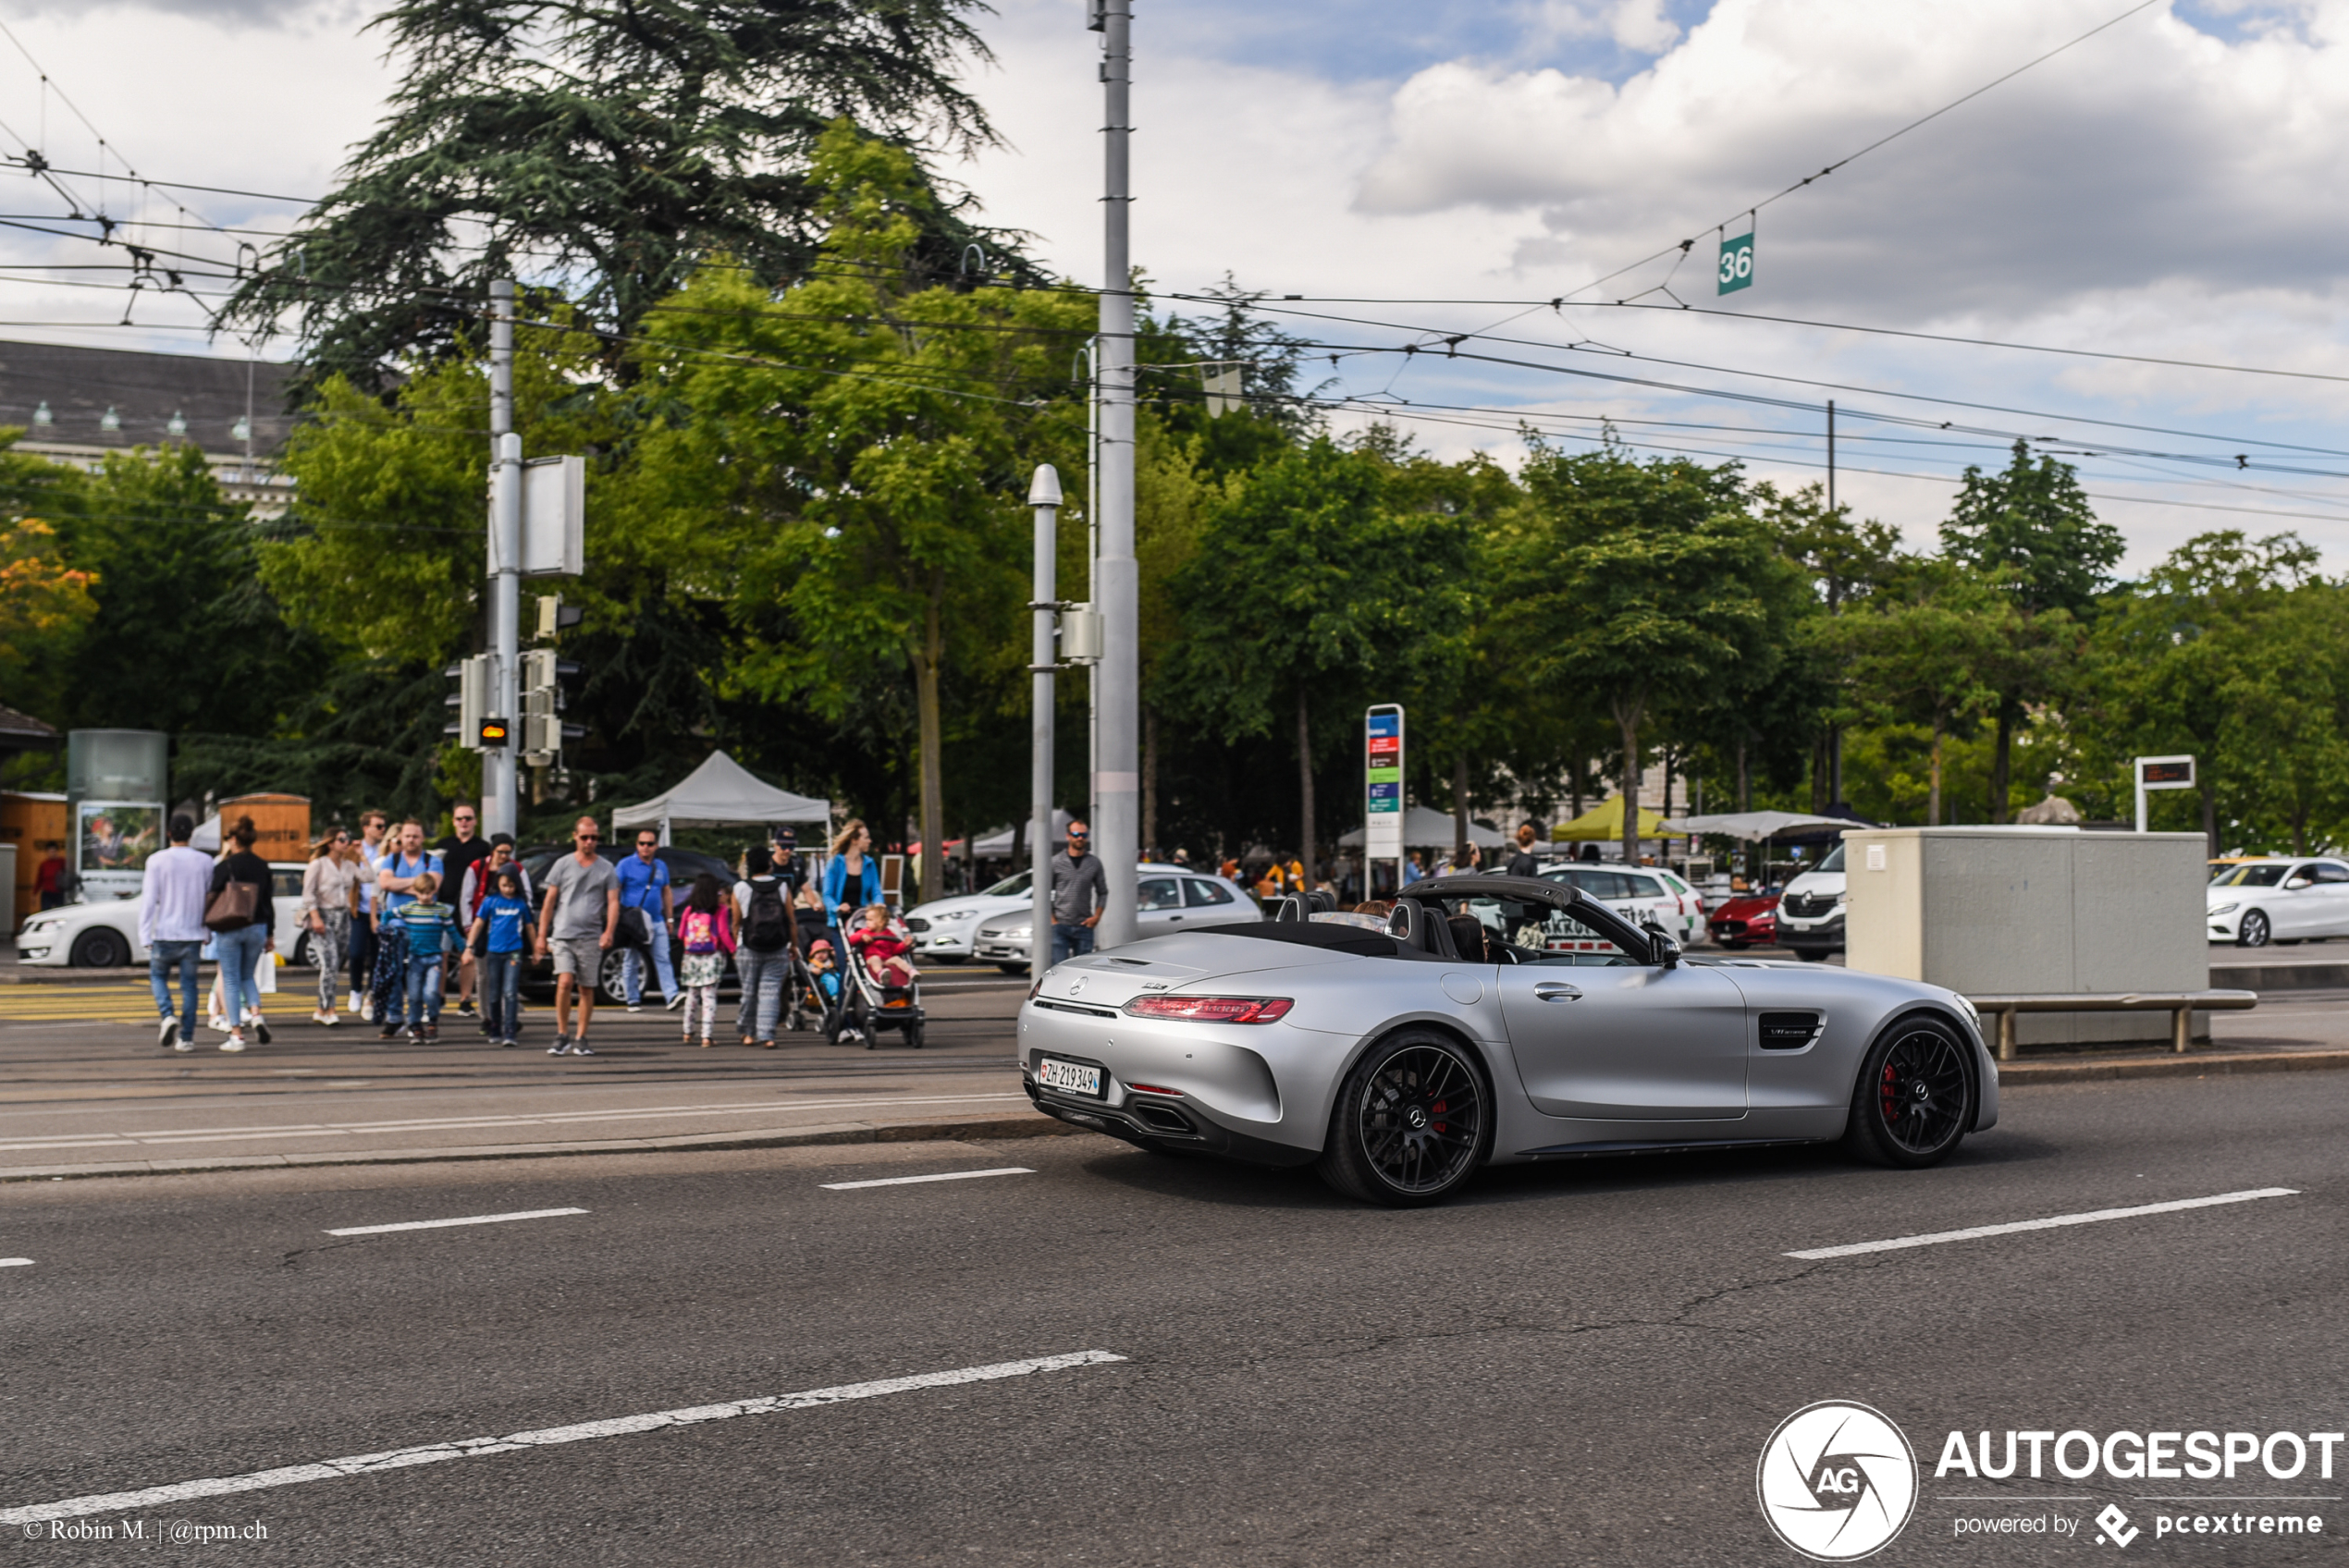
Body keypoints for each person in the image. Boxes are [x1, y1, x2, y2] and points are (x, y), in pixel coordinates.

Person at [535, 815, 618, 1056]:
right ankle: (562, 1034)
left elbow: (613, 902)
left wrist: (608, 931)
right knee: (564, 981)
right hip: (563, 934)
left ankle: (581, 1036)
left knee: (586, 988)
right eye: (584, 837)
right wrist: (542, 935)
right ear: (575, 837)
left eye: (594, 838)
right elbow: (549, 901)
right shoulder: (562, 864)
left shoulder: (606, 868)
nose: (589, 842)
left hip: (591, 936)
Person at [138, 814, 212, 1053]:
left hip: (164, 933)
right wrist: (206, 930)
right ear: (191, 834)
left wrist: (144, 933)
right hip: (192, 934)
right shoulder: (205, 861)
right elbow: (210, 899)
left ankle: (167, 1014)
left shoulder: (156, 860)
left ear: (169, 833)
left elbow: (149, 900)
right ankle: (187, 1038)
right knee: (189, 986)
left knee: (158, 977)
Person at [205, 816, 277, 1053]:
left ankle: (236, 1034)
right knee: (248, 975)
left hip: (230, 926)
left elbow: (213, 894)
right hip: (258, 927)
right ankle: (256, 1014)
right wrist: (270, 933)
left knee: (231, 979)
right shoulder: (262, 866)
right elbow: (268, 901)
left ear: (233, 839)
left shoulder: (225, 866)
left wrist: (204, 919)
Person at [374, 821, 441, 1037]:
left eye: (416, 836)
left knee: (421, 975)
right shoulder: (391, 859)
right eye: (408, 836)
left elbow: (434, 886)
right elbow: (385, 884)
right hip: (396, 927)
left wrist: (399, 883)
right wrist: (420, 884)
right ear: (401, 838)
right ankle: (394, 1017)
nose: (411, 840)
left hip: (424, 927)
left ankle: (420, 1018)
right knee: (394, 972)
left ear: (422, 839)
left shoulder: (433, 860)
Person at [733, 846, 794, 1048]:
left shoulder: (740, 888)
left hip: (748, 946)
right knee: (771, 991)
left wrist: (737, 944)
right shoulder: (782, 886)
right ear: (770, 864)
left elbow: (736, 923)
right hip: (777, 946)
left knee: (749, 991)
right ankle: (767, 1036)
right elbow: (791, 920)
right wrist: (793, 944)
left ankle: (748, 1033)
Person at [392, 871, 463, 1042]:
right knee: (414, 995)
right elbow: (389, 915)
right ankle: (415, 1025)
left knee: (431, 992)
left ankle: (432, 1021)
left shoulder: (440, 911)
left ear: (434, 892)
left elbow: (452, 932)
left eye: (429, 893)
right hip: (415, 959)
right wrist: (390, 929)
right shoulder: (409, 909)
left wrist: (464, 950)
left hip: (434, 959)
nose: (425, 897)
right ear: (415, 892)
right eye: (421, 893)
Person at [300, 828, 362, 1026]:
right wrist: (316, 917)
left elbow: (369, 878)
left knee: (336, 964)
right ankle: (330, 1009)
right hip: (324, 915)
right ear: (330, 843)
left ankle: (320, 1009)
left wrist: (362, 856)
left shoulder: (348, 865)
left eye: (347, 839)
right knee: (330, 964)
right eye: (342, 839)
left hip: (343, 917)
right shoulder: (318, 864)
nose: (346, 842)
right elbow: (308, 894)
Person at [468, 865, 535, 1047]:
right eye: (504, 885)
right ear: (498, 883)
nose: (507, 889)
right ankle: (495, 1026)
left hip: (514, 950)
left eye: (511, 886)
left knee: (510, 992)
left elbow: (529, 927)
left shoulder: (521, 903)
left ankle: (510, 1029)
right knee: (494, 993)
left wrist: (536, 949)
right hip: (494, 951)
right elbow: (478, 923)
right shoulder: (490, 901)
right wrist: (469, 946)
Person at [616, 828, 680, 1014]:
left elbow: (666, 891)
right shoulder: (625, 865)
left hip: (656, 919)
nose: (646, 847)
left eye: (650, 844)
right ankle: (633, 999)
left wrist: (669, 917)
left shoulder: (661, 866)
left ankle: (671, 995)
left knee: (663, 957)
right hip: (634, 922)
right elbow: (615, 889)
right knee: (631, 959)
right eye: (642, 843)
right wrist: (619, 914)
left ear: (656, 846)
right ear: (637, 845)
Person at [435, 802, 490, 1017]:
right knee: (442, 952)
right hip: (444, 904)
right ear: (453, 822)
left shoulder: (482, 847)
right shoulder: (444, 846)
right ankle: (439, 997)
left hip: (470, 907)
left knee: (467, 954)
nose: (464, 822)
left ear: (475, 821)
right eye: (459, 819)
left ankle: (465, 1000)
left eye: (468, 818)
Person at [674, 872, 736, 1047]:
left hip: (691, 956)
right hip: (713, 955)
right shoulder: (720, 909)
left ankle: (687, 1032)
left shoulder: (689, 910)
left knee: (692, 995)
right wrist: (733, 949)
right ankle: (706, 1036)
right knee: (709, 997)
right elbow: (723, 933)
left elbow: (680, 934)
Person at [348, 811, 389, 1020]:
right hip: (359, 909)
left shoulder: (386, 850)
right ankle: (356, 989)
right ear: (366, 828)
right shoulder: (355, 850)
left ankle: (370, 997)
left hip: (381, 911)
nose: (382, 830)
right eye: (378, 826)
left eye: (384, 826)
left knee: (377, 957)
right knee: (355, 953)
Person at [1048, 821, 1106, 967]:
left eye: (1084, 835)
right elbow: (1043, 892)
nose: (1080, 838)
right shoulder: (1056, 861)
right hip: (1060, 926)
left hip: (1084, 926)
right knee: (1059, 969)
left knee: (1083, 970)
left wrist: (1096, 917)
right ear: (1068, 836)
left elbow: (1103, 892)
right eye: (1076, 834)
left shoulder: (1094, 863)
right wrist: (1052, 920)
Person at [822, 820, 881, 945]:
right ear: (854, 840)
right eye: (866, 837)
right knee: (845, 961)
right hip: (840, 923)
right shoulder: (834, 863)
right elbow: (827, 895)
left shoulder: (869, 864)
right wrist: (837, 907)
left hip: (862, 922)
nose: (869, 841)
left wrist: (880, 904)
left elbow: (876, 891)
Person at [848, 903, 916, 987]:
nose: (866, 922)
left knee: (897, 959)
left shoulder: (889, 934)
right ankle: (881, 974)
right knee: (875, 959)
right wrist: (861, 937)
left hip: (887, 959)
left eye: (870, 920)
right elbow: (852, 939)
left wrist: (904, 944)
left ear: (881, 922)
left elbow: (895, 949)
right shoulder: (865, 932)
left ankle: (911, 972)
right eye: (866, 919)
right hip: (871, 959)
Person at [34, 841, 67, 910]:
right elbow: (39, 879)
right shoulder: (44, 864)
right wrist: (34, 893)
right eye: (50, 851)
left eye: (54, 851)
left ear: (57, 851)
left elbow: (67, 876)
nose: (52, 853)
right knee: (46, 911)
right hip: (47, 893)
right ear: (47, 852)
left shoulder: (62, 862)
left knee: (59, 911)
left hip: (59, 893)